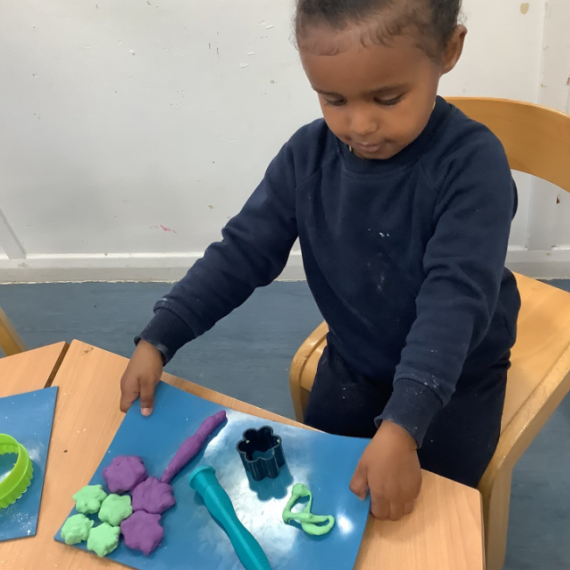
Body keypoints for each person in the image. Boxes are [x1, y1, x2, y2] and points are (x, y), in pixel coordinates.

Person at [120, 0, 521, 523]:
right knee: (324, 484)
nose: (360, 125)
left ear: (449, 50)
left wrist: (403, 424)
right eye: (333, 100)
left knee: (431, 513)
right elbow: (242, 251)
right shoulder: (307, 156)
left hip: (456, 371)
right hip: (357, 355)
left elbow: (455, 301)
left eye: (388, 98)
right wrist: (160, 336)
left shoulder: (473, 165)